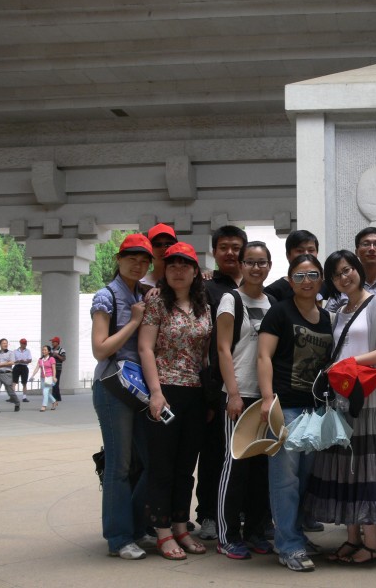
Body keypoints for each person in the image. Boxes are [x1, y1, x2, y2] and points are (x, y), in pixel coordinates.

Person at [304, 250, 376, 564]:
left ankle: (373, 544)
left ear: (357, 269)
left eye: (347, 270)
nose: (344, 277)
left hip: (366, 395)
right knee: (346, 468)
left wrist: (352, 362)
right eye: (336, 275)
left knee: (365, 466)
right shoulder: (339, 311)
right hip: (340, 396)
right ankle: (353, 537)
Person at [258, 254, 334, 572]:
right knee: (285, 479)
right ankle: (288, 544)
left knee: (305, 478)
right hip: (285, 407)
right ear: (290, 281)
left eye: (312, 275)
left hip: (315, 409)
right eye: (299, 276)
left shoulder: (327, 318)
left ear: (321, 280)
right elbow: (264, 355)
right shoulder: (280, 312)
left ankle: (296, 535)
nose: (306, 281)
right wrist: (267, 398)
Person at [138, 241, 212, 560]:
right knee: (162, 466)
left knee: (185, 467)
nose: (178, 270)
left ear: (195, 271)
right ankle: (163, 531)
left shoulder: (204, 305)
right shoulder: (157, 302)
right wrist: (156, 393)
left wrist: (209, 398)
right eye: (172, 265)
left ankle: (181, 526)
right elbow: (145, 348)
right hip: (165, 391)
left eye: (185, 265)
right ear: (164, 271)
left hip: (196, 393)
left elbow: (205, 354)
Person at [89, 232, 153, 559]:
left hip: (140, 388)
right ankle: (118, 537)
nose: (137, 264)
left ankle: (136, 527)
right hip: (113, 387)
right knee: (120, 465)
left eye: (144, 260)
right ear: (118, 259)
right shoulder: (106, 297)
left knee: (152, 463)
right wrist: (135, 321)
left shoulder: (143, 293)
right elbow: (100, 349)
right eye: (131, 258)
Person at [214, 241, 275, 559]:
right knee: (235, 465)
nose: (256, 267)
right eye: (249, 262)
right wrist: (234, 393)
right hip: (239, 394)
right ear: (241, 265)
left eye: (261, 262)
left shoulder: (272, 303)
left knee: (261, 469)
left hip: (265, 398)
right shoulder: (231, 299)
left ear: (269, 266)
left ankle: (254, 531)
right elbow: (223, 349)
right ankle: (227, 535)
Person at [198, 225, 248, 541]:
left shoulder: (257, 288)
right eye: (224, 247)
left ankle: (239, 511)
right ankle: (207, 514)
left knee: (244, 452)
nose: (230, 253)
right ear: (214, 252)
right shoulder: (206, 288)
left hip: (249, 384)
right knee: (213, 452)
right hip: (216, 386)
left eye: (236, 247)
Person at [325, 227, 376, 313]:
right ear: (356, 251)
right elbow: (328, 315)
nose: (372, 249)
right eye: (366, 244)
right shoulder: (346, 283)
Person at [265, 230, 319, 302]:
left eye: (311, 250)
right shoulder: (273, 291)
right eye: (300, 251)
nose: (306, 254)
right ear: (288, 255)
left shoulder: (322, 285)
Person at [141, 223, 177, 287]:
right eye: (157, 245)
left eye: (168, 244)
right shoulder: (137, 283)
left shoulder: (187, 282)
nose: (163, 249)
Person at [0, 339, 19, 413]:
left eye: (6, 343)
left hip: (7, 374)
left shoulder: (10, 353)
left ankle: (17, 402)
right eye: (3, 343)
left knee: (10, 392)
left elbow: (12, 362)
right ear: (0, 344)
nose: (5, 344)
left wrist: (2, 364)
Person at [30, 345, 57, 411]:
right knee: (46, 392)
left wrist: (54, 377)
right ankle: (54, 401)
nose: (43, 351)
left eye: (45, 350)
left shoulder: (51, 359)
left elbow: (54, 369)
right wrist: (32, 375)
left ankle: (44, 406)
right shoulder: (40, 360)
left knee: (45, 391)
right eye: (43, 350)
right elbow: (37, 368)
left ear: (49, 351)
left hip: (49, 377)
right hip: (43, 378)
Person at [49, 337, 66, 404]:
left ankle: (54, 397)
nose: (52, 343)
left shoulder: (61, 350)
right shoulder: (50, 350)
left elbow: (63, 359)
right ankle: (58, 397)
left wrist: (57, 355)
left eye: (53, 342)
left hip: (58, 368)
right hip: (51, 368)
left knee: (55, 382)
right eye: (52, 342)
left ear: (57, 342)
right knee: (53, 382)